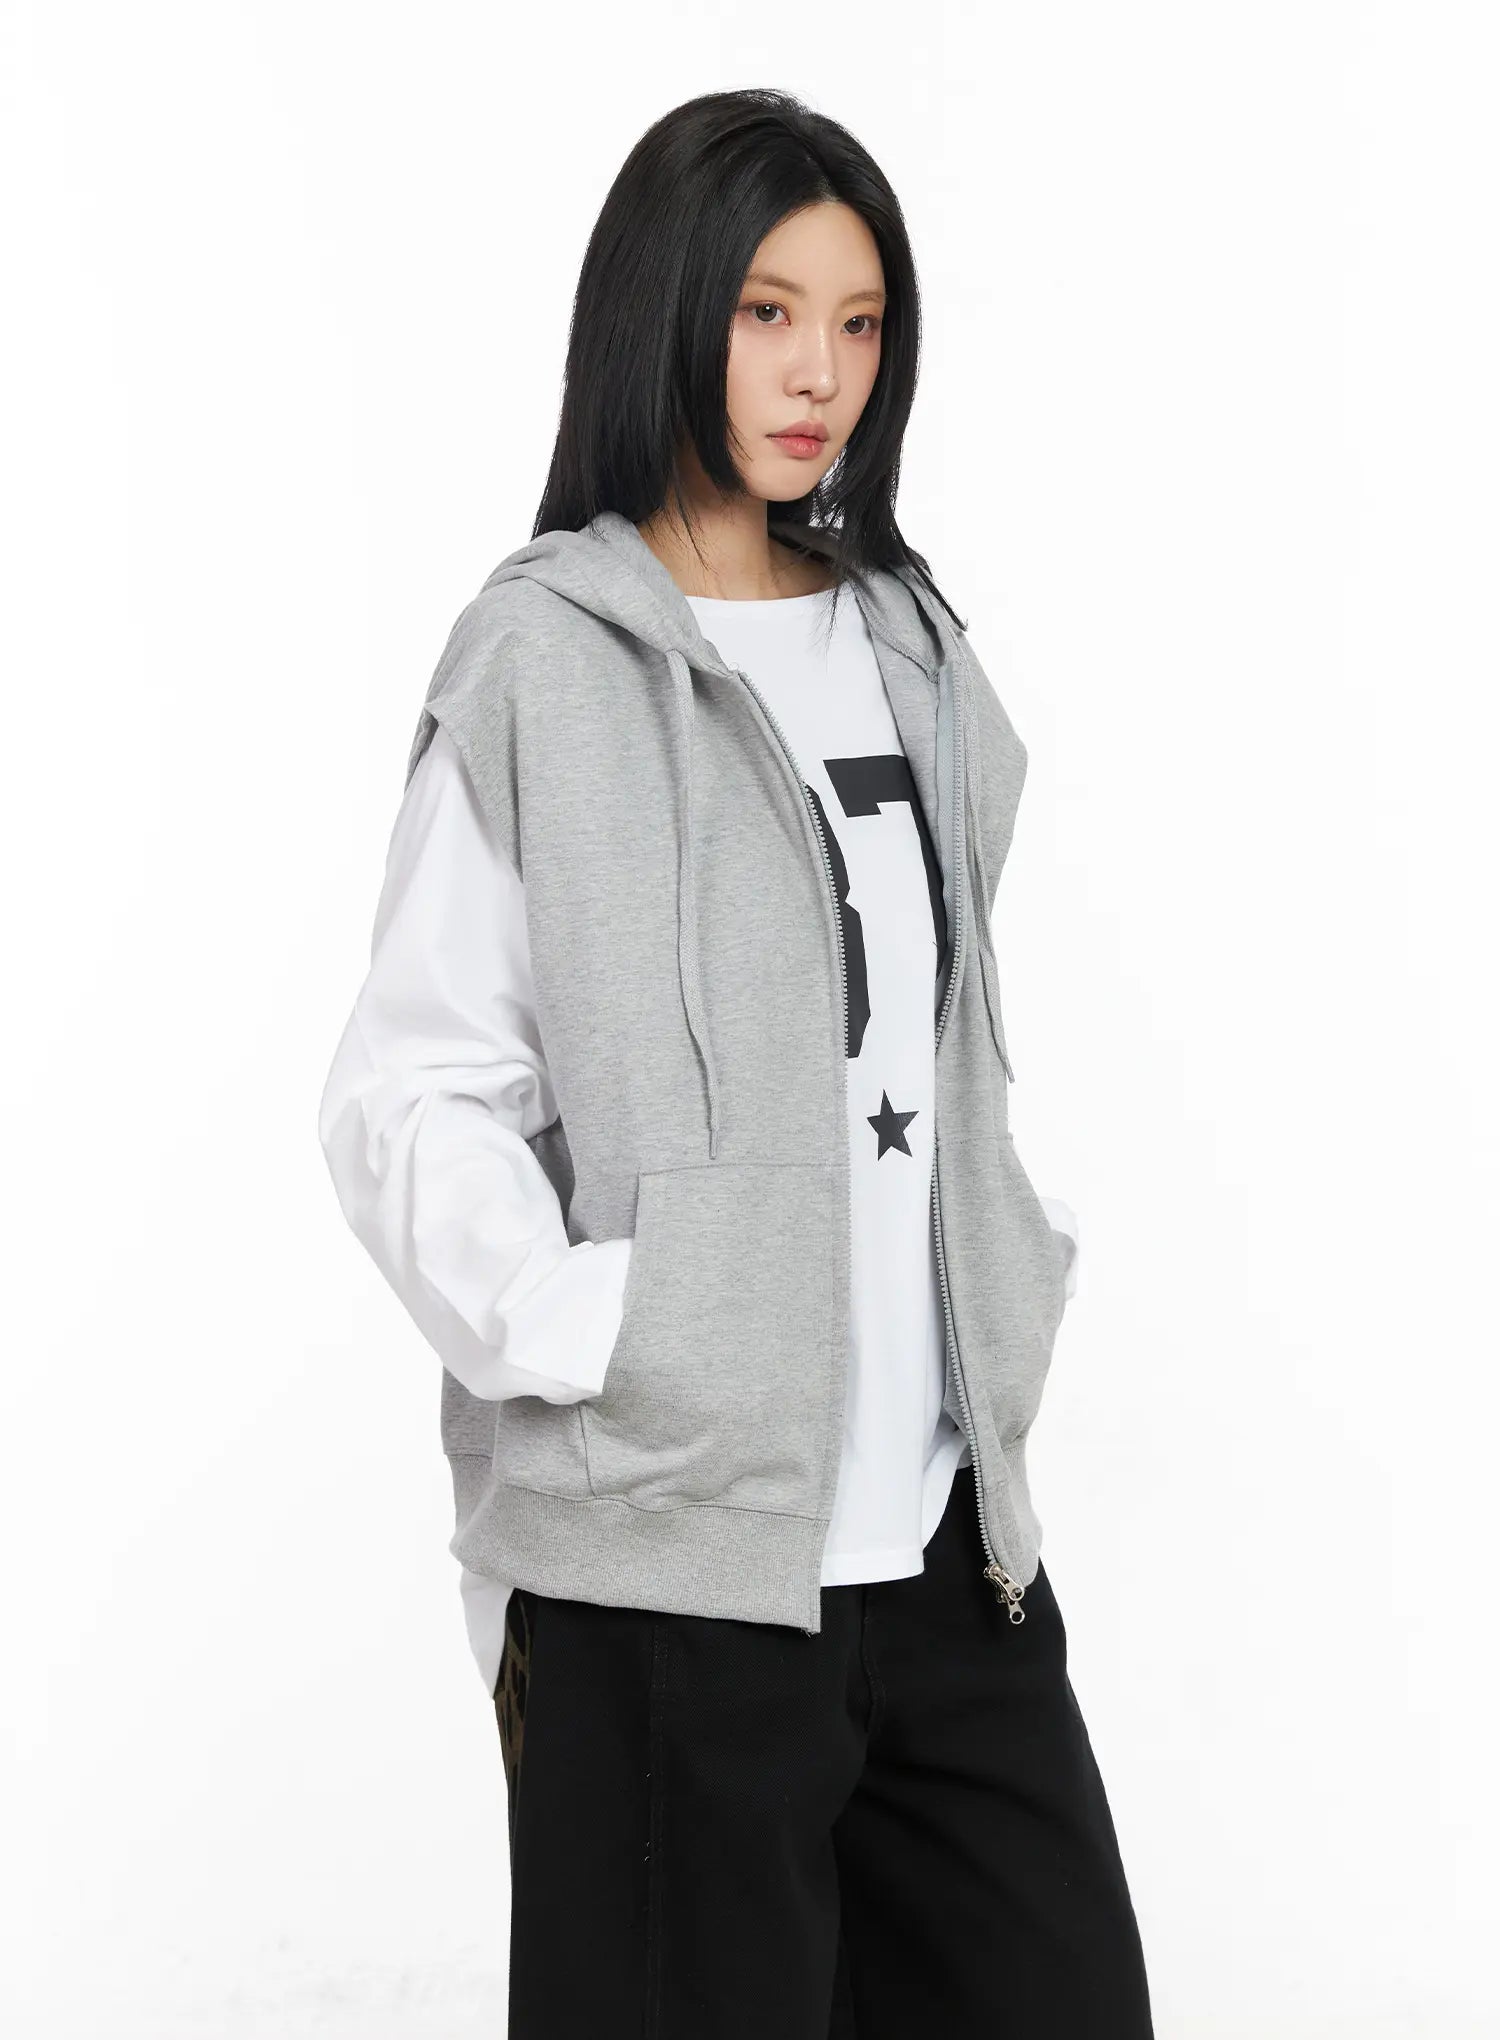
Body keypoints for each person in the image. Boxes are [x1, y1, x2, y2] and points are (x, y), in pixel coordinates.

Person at [318, 85, 1154, 2039]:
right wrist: (607, 1325)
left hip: (949, 1560)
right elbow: (408, 1091)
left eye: (858, 323)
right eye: (770, 312)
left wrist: (1005, 1265)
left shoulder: (910, 646)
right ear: (669, 311)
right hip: (664, 1579)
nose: (818, 374)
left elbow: (941, 1038)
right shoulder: (545, 662)